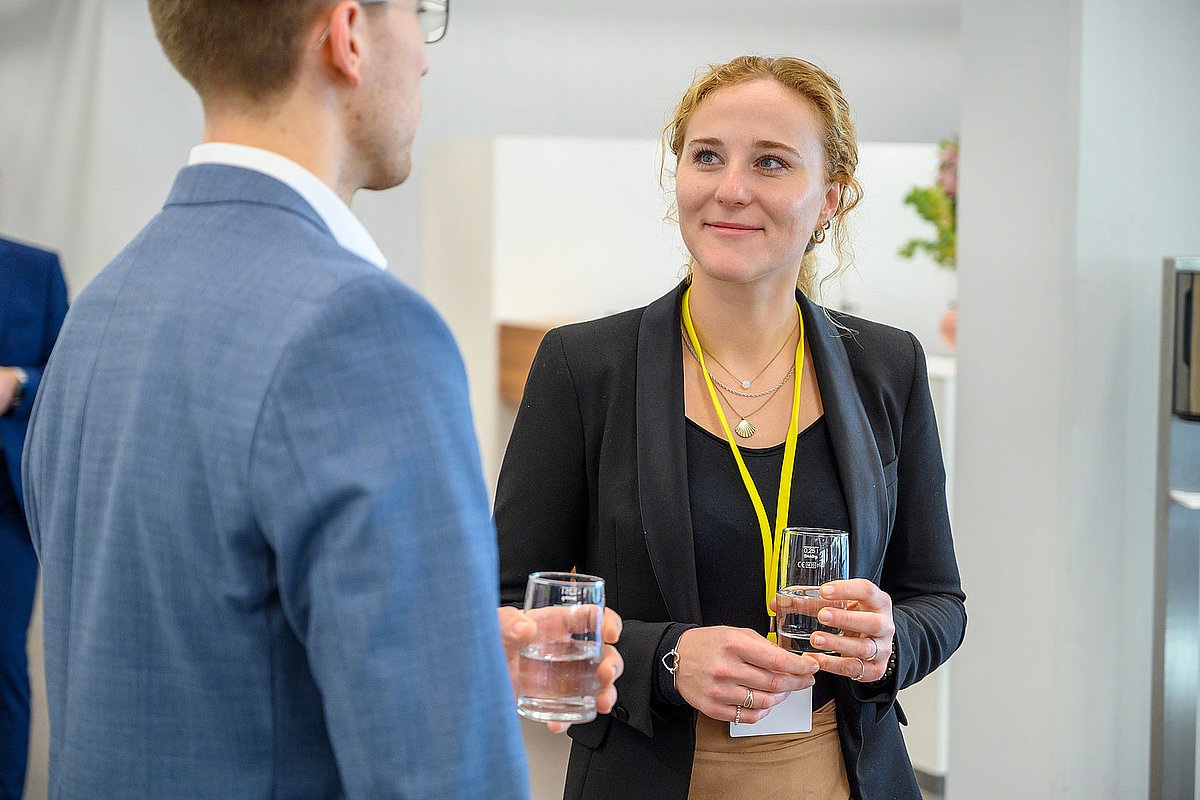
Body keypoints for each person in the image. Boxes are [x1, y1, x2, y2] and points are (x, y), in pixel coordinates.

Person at [21, 1, 619, 797]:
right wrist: (442, 691)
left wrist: (446, 656)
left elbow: (185, 647)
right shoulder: (363, 330)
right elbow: (441, 779)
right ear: (347, 35)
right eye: (417, 13)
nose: (427, 55)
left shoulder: (104, 303)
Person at [495, 55, 966, 800]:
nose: (731, 188)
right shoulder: (584, 367)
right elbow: (514, 600)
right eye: (706, 155)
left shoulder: (888, 365)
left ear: (830, 200)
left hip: (845, 776)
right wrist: (668, 657)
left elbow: (938, 599)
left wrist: (890, 642)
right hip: (647, 777)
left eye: (771, 162)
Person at [0, 234, 68, 800]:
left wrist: (16, 385)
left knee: (3, 668)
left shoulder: (35, 270)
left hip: (5, 512)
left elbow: (67, 383)